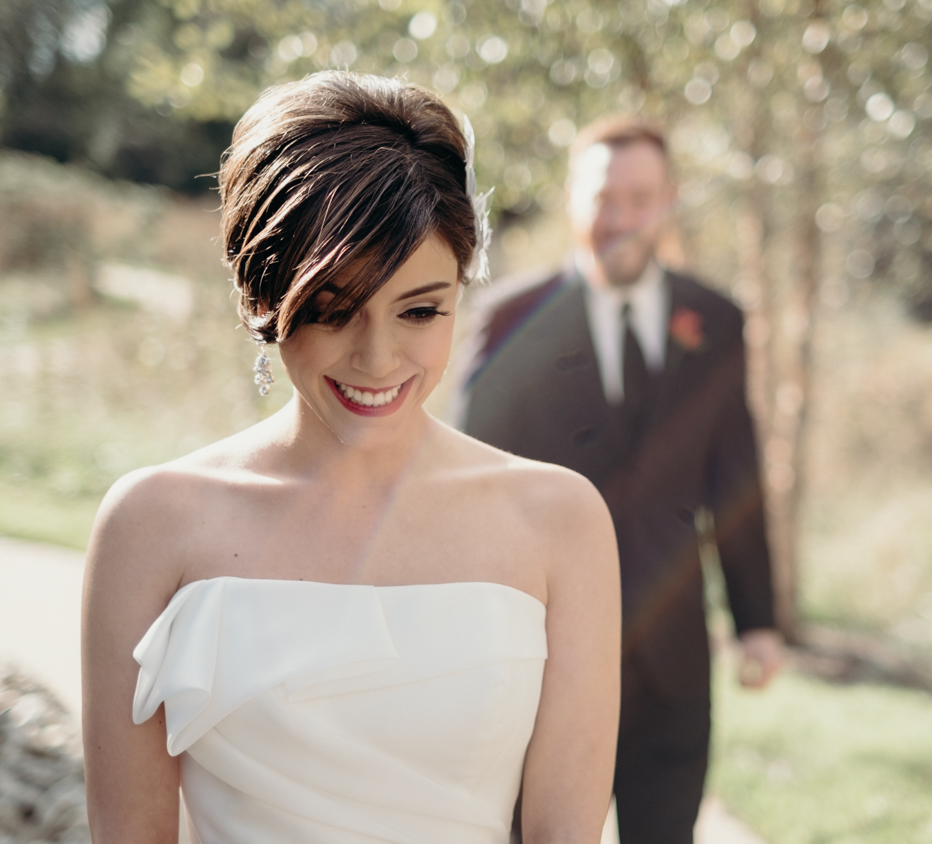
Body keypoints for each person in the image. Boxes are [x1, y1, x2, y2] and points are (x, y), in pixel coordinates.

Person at [80, 71, 620, 844]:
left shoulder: (559, 522)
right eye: (333, 310)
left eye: (421, 310)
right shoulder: (150, 526)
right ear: (260, 298)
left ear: (462, 291)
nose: (377, 357)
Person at [459, 117, 783, 844]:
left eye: (641, 198)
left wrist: (757, 619)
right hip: (543, 663)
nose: (622, 218)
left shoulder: (717, 322)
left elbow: (736, 476)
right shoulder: (510, 317)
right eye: (605, 198)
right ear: (574, 200)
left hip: (673, 662)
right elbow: (467, 484)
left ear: (669, 201)